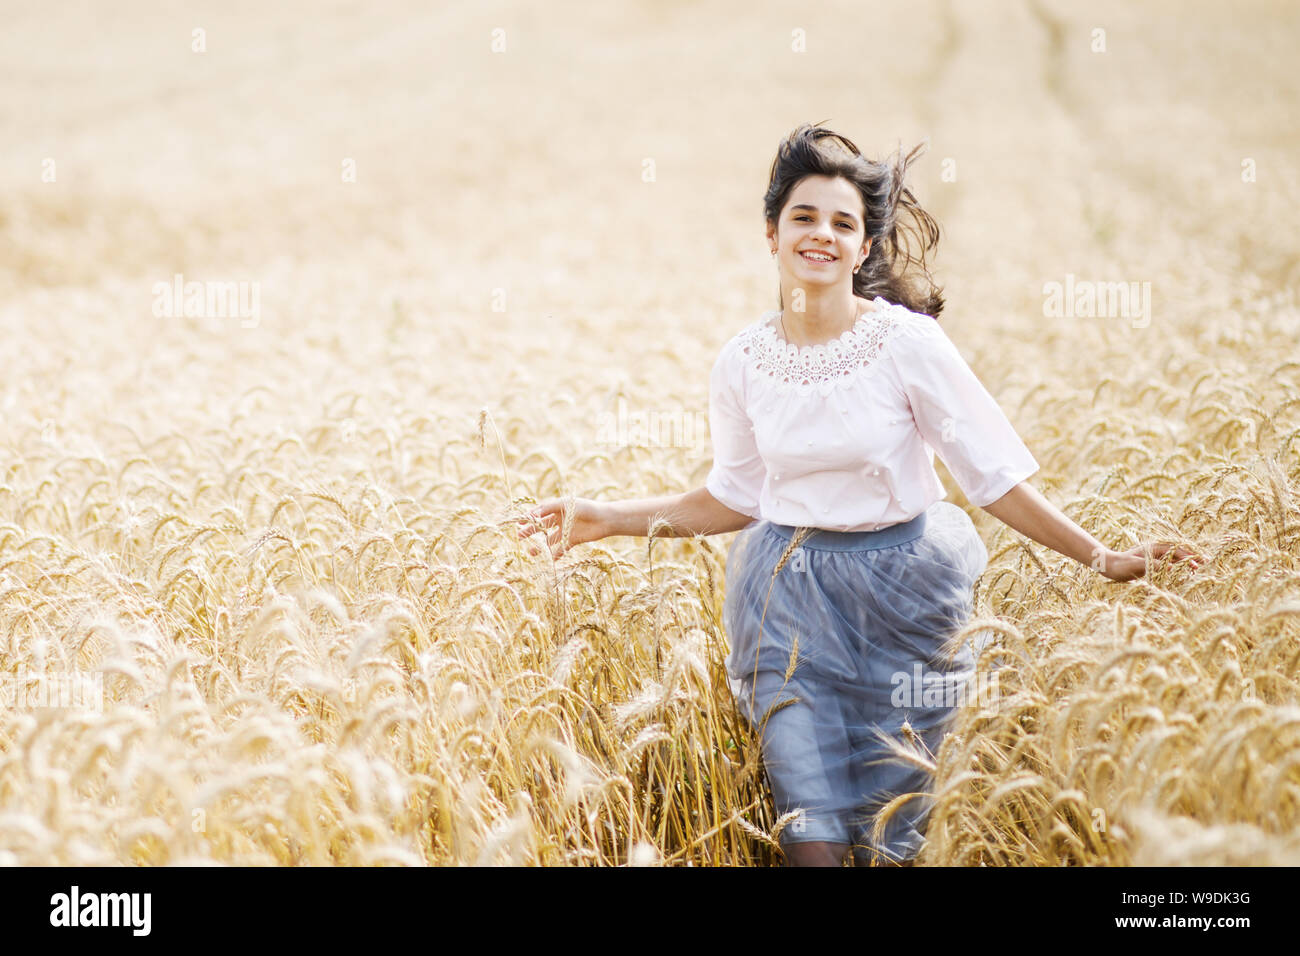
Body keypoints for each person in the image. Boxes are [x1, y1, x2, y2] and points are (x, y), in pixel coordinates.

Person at [514, 123, 1205, 867]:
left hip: (907, 605)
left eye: (844, 223)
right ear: (772, 235)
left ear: (865, 248)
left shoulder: (907, 345)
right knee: (808, 835)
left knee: (896, 838)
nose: (822, 234)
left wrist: (1105, 558)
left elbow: (992, 478)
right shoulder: (742, 362)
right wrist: (603, 520)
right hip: (788, 610)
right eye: (804, 217)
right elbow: (736, 497)